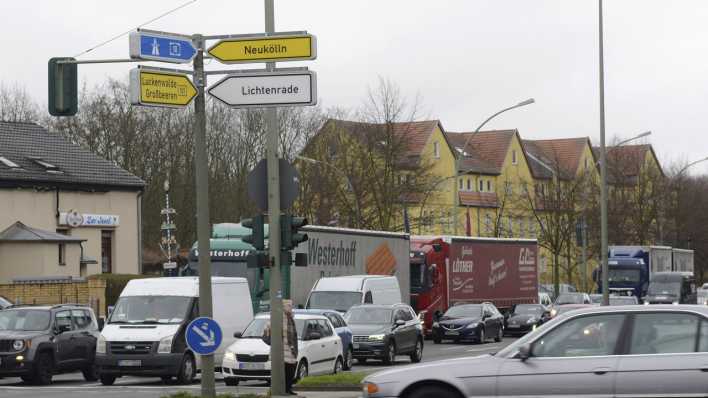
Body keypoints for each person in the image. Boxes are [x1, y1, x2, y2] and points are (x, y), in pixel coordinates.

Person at [261, 300, 299, 395]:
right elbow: (266, 332)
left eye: (291, 305)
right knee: (283, 372)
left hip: (290, 349)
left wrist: (295, 348)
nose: (290, 307)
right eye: (288, 305)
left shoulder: (290, 318)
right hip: (280, 350)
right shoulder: (277, 317)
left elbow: (293, 336)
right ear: (283, 307)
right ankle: (282, 390)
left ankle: (288, 389)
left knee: (290, 371)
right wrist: (274, 344)